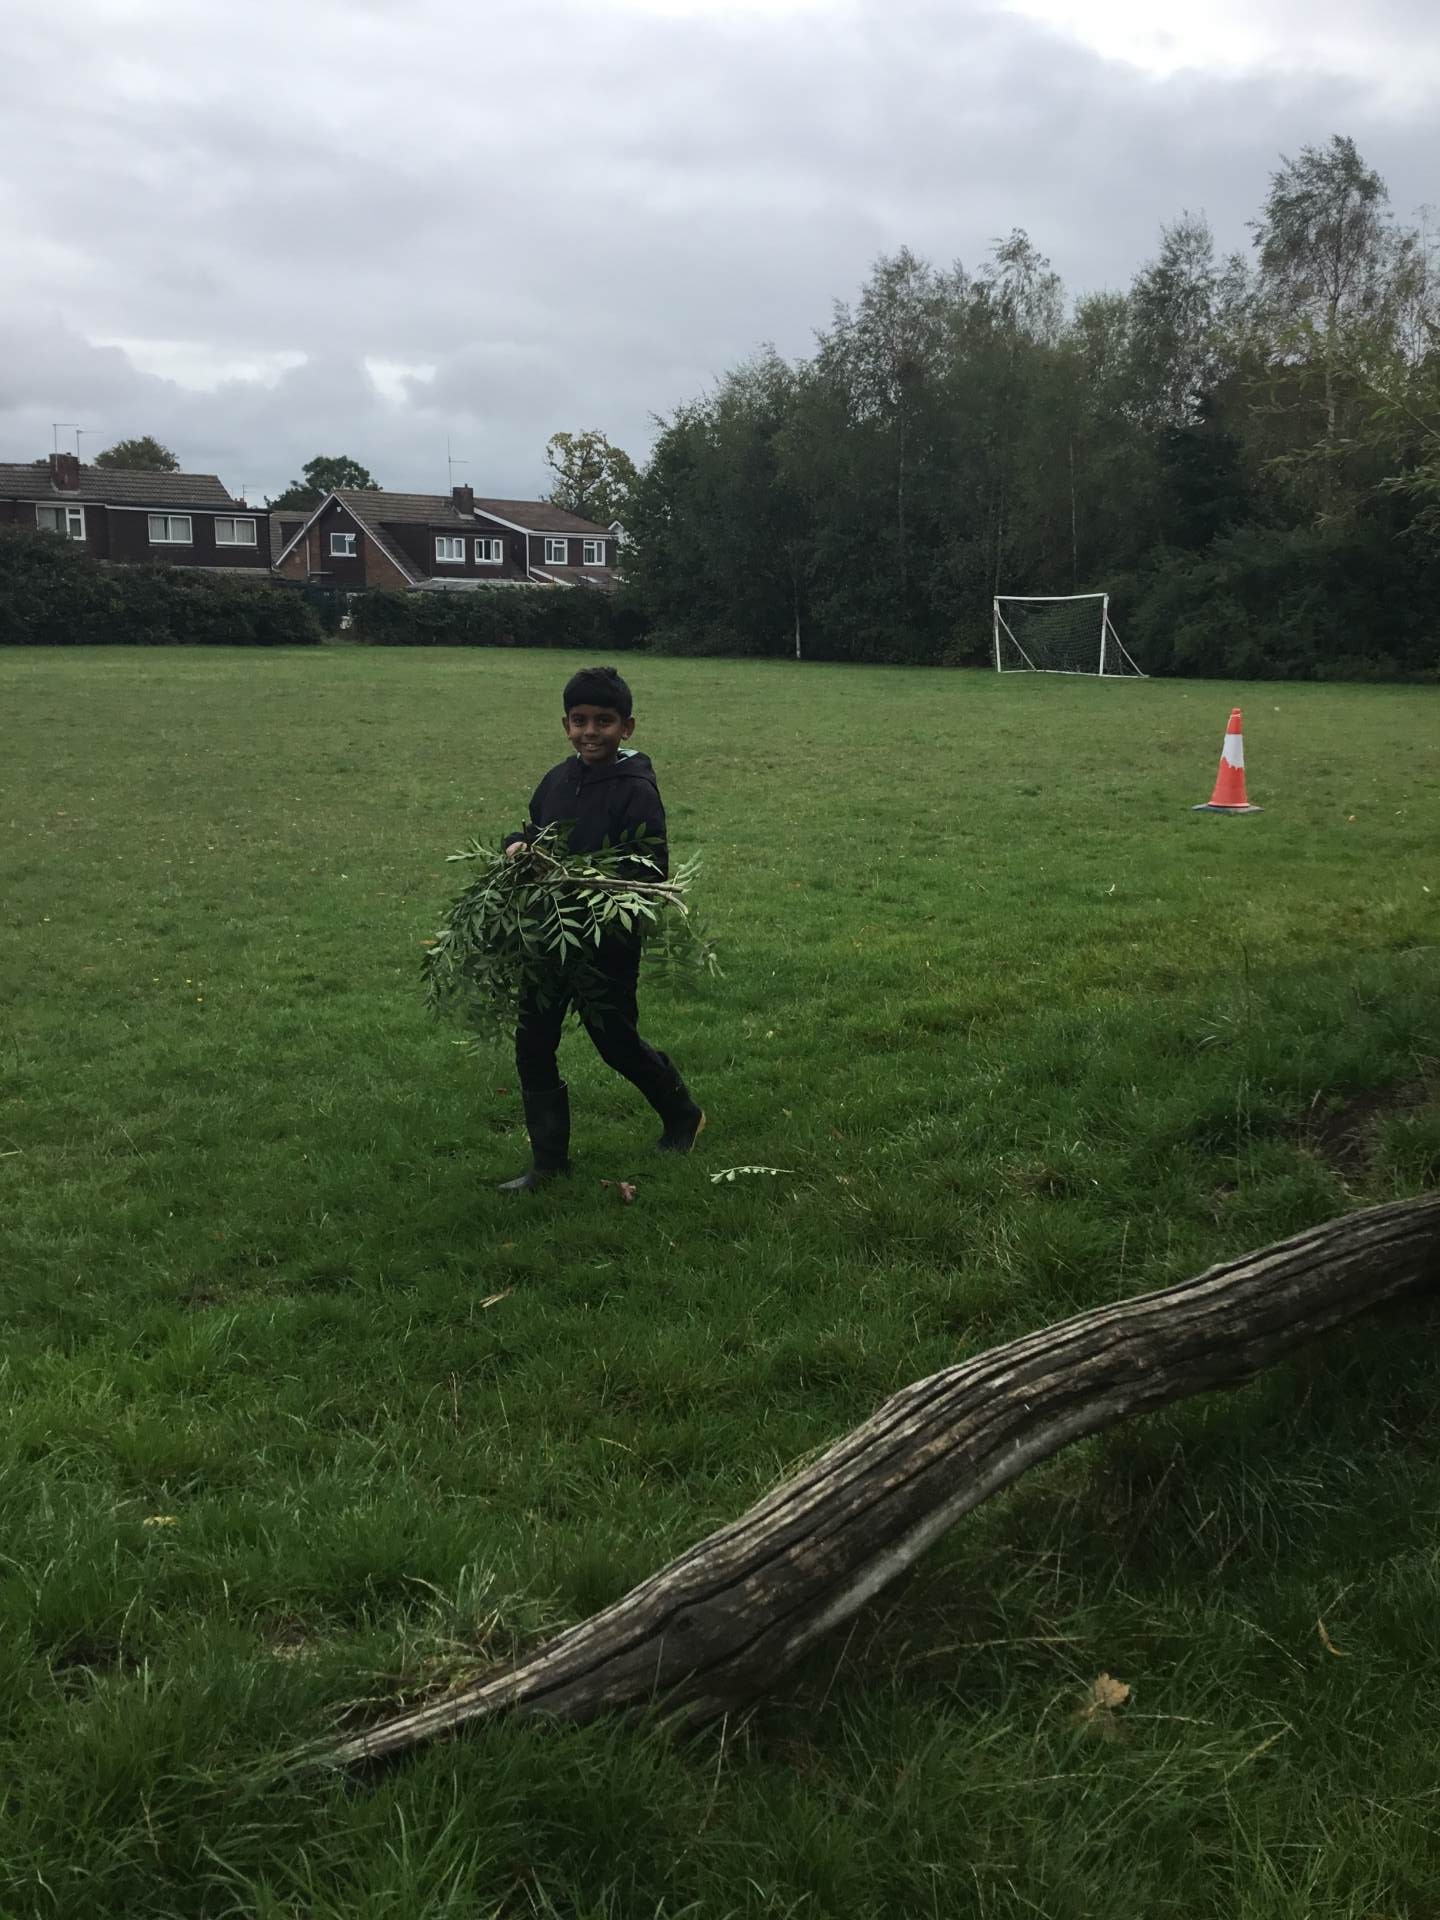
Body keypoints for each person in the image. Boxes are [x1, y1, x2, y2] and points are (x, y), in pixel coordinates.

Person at [497, 665, 705, 1192]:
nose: (591, 731)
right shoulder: (556, 780)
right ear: (565, 724)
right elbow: (534, 832)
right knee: (532, 1043)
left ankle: (682, 1113)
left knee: (615, 1042)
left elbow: (649, 870)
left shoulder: (636, 792)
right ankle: (548, 1163)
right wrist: (516, 847)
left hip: (605, 941)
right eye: (580, 720)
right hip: (549, 936)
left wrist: (587, 882)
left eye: (604, 721)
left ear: (626, 727)